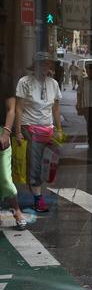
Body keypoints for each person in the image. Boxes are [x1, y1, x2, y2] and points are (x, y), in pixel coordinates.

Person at [14, 52, 63, 213]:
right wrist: (18, 131)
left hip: (47, 128)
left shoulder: (53, 84)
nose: (45, 67)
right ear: (35, 66)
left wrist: (59, 129)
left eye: (47, 64)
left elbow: (55, 108)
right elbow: (19, 108)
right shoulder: (25, 82)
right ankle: (38, 199)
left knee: (47, 164)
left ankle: (34, 187)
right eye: (41, 64)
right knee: (35, 163)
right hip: (30, 127)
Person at [1, 73, 27, 230]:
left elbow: (11, 109)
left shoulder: (5, 81)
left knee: (4, 176)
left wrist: (6, 132)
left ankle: (17, 211)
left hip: (1, 133)